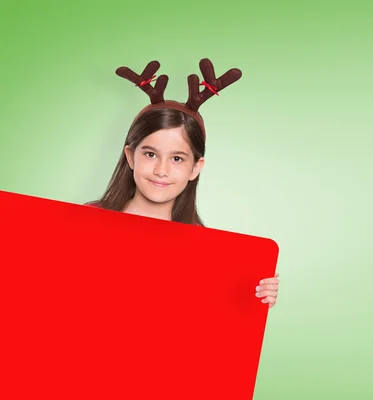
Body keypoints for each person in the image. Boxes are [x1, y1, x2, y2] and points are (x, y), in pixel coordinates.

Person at [86, 58, 279, 308]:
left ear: (195, 168)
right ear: (130, 156)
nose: (161, 170)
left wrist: (254, 298)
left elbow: (209, 317)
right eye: (150, 154)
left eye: (177, 158)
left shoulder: (207, 251)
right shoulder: (88, 221)